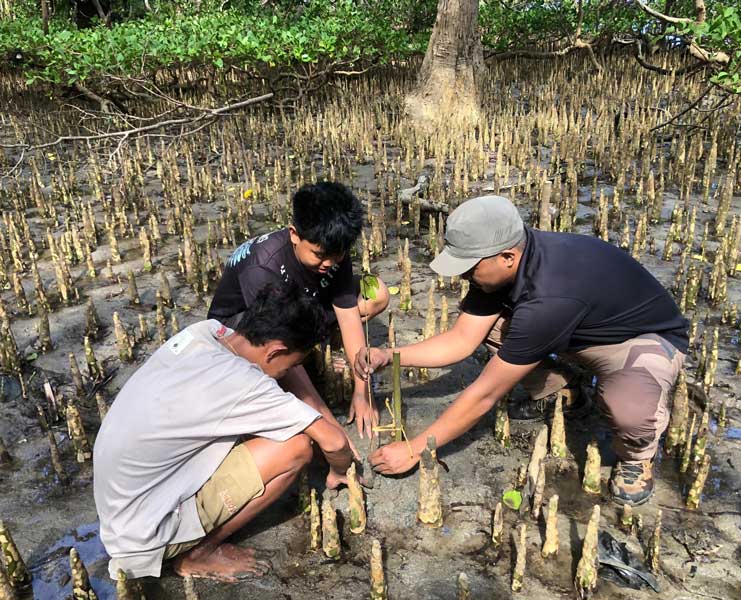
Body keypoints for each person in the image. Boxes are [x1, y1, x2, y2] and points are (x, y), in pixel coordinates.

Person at [356, 195, 688, 506]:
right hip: (578, 329)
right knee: (497, 327)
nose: (465, 276)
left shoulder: (548, 296)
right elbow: (461, 340)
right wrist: (391, 355)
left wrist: (416, 449)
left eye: (469, 268)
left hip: (640, 341)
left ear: (508, 257)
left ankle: (637, 456)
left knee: (628, 410)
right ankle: (567, 389)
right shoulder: (503, 262)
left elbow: (485, 395)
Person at [94, 283, 357, 581]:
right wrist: (340, 470)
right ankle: (197, 554)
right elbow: (333, 441)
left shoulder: (206, 332)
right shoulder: (244, 384)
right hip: (146, 536)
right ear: (276, 351)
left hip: (118, 511)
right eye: (292, 365)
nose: (289, 373)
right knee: (297, 447)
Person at [209, 182, 389, 439]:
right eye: (319, 255)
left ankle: (322, 351)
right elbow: (280, 341)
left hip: (303, 302)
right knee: (281, 365)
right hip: (243, 327)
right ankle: (310, 356)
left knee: (378, 293)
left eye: (337, 257)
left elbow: (348, 316)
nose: (328, 264)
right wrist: (330, 427)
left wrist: (363, 391)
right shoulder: (262, 267)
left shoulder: (333, 249)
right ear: (294, 234)